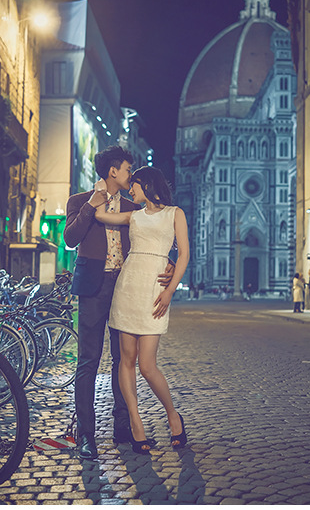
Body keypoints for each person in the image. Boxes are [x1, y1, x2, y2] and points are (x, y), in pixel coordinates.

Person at [62, 146, 173, 460]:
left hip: (128, 288)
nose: (131, 173)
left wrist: (169, 265)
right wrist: (91, 206)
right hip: (93, 288)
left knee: (124, 359)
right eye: (127, 168)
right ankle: (86, 435)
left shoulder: (132, 207)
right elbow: (70, 238)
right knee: (88, 361)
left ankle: (122, 426)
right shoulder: (79, 201)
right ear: (113, 171)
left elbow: (157, 236)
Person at [93, 165, 189, 454]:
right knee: (126, 359)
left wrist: (170, 290)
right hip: (128, 288)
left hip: (154, 291)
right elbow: (99, 214)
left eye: (134, 184)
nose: (130, 189)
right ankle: (136, 424)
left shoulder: (175, 213)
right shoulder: (133, 215)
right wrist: (99, 192)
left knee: (147, 365)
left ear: (147, 185)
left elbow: (183, 253)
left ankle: (173, 415)